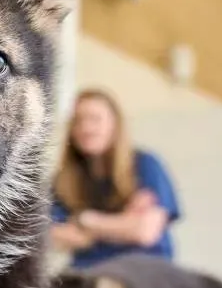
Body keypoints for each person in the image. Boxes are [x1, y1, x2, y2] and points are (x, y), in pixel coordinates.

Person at [49, 89, 182, 269]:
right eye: (78, 120)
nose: (86, 128)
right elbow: (53, 235)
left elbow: (144, 231)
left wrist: (86, 220)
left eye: (95, 119)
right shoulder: (64, 180)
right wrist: (124, 223)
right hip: (87, 274)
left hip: (143, 271)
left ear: (115, 125)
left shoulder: (146, 165)